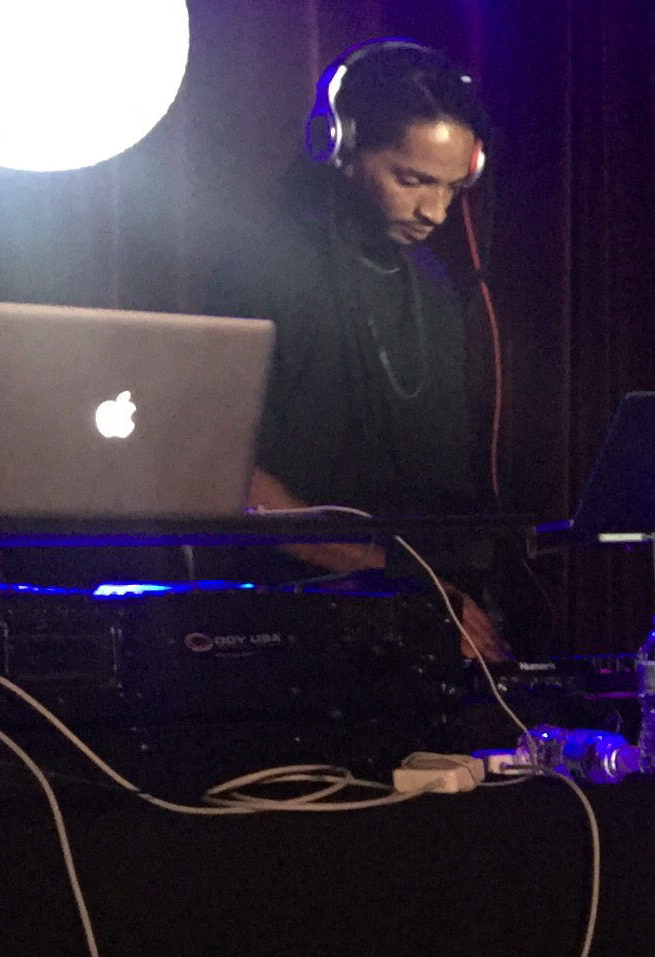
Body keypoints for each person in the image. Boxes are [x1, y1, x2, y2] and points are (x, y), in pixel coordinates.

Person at [204, 41, 508, 659]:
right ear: (339, 148)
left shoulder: (432, 284)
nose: (435, 212)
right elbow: (223, 468)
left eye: (453, 189)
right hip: (286, 609)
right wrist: (386, 574)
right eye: (412, 180)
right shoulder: (262, 267)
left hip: (416, 604)